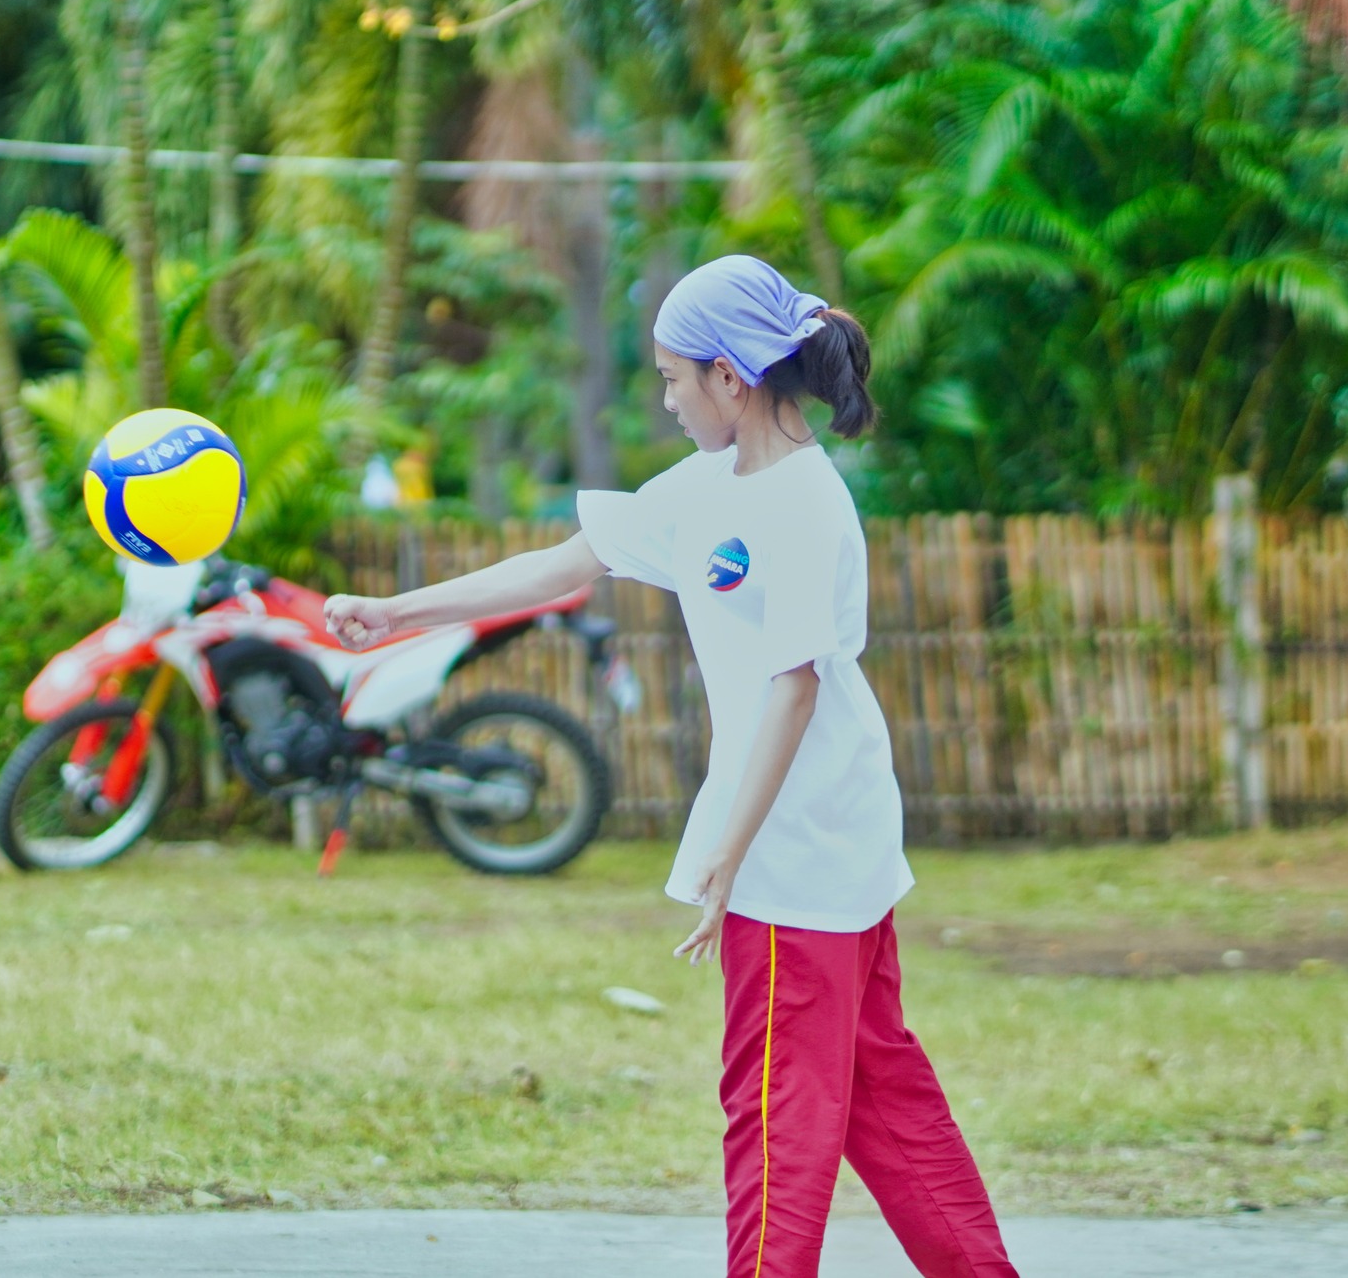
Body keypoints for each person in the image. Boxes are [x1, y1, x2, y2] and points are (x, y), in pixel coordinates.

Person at [323, 255, 1019, 1278]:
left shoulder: (804, 505)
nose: (665, 399)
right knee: (880, 1096)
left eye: (672, 379)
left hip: (796, 848)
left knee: (774, 1120)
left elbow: (794, 688)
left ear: (729, 377)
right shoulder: (706, 487)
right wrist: (395, 615)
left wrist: (730, 855)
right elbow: (564, 565)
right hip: (828, 836)